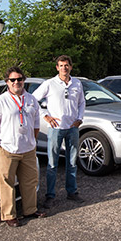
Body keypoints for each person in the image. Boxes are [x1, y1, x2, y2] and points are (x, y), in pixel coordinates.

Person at [0, 67, 46, 227]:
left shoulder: (31, 99)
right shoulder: (0, 101)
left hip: (28, 150)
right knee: (7, 183)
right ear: (7, 82)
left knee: (30, 182)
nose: (17, 82)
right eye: (13, 80)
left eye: (19, 79)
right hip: (8, 150)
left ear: (24, 80)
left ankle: (30, 210)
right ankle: (9, 215)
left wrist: (31, 142)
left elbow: (36, 123)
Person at [32, 55, 85, 209]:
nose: (64, 68)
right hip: (56, 129)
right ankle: (50, 195)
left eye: (66, 65)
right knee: (52, 164)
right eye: (61, 65)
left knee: (72, 162)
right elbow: (33, 99)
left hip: (72, 128)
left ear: (71, 67)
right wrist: (45, 116)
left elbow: (81, 103)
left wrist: (80, 118)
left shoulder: (77, 83)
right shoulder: (49, 84)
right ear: (57, 67)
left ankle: (72, 191)